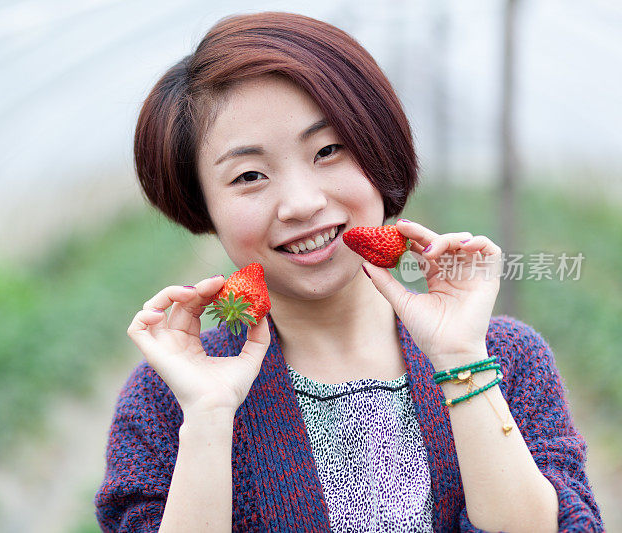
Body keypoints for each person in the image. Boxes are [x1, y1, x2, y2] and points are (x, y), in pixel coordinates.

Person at [94, 11, 603, 532]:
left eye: (329, 150)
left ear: (378, 150)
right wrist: (206, 417)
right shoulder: (166, 398)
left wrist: (460, 360)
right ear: (203, 205)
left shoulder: (506, 359)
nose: (301, 203)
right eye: (249, 175)